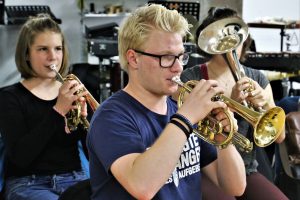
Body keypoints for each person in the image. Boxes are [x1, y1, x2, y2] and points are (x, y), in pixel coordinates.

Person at [87, 4, 246, 200]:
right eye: (167, 57)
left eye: (180, 56)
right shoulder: (111, 117)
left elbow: (235, 188)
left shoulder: (180, 111)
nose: (178, 67)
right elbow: (142, 187)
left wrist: (224, 139)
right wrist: (186, 117)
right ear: (134, 59)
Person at [179, 7, 288, 200]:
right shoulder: (192, 77)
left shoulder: (258, 78)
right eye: (220, 37)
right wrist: (233, 106)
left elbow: (279, 138)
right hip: (205, 169)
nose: (229, 43)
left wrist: (265, 105)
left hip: (246, 169)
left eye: (234, 36)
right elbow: (189, 129)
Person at [0, 14, 89, 200]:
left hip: (74, 179)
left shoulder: (70, 91)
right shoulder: (9, 97)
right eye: (43, 49)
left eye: (58, 48)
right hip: (28, 183)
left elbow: (92, 151)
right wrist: (58, 111)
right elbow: (20, 157)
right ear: (26, 53)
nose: (52, 57)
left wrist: (87, 120)